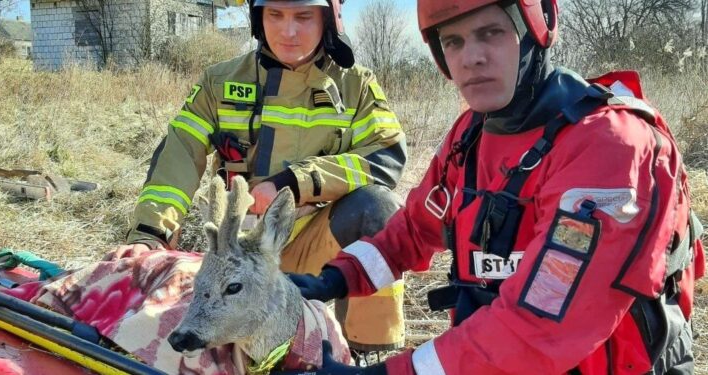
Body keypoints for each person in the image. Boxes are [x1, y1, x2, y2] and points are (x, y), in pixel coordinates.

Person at [278, 0, 706, 374]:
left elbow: (540, 329)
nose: (471, 58)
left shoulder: (611, 148)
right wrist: (332, 280)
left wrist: (393, 373)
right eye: (453, 42)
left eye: (491, 33)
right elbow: (411, 231)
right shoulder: (472, 134)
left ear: (535, 29)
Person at [105, 0, 408, 355]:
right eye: (275, 15)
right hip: (235, 262)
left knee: (378, 209)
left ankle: (363, 352)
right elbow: (180, 154)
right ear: (257, 18)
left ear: (328, 20)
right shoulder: (220, 82)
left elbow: (384, 158)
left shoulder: (356, 86)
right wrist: (150, 234)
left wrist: (293, 183)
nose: (288, 31)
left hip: (312, 245)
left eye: (303, 16)